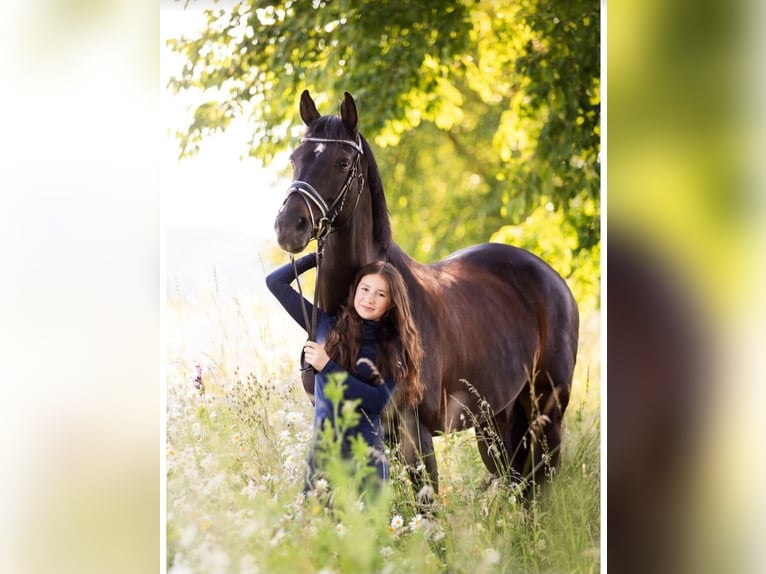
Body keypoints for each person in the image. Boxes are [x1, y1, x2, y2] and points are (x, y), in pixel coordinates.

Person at [266, 252, 423, 493]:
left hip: (365, 460)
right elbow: (275, 282)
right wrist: (316, 258)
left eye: (380, 294)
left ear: (391, 302)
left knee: (365, 530)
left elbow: (378, 401)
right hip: (322, 456)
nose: (369, 299)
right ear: (355, 290)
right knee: (316, 528)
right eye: (365, 289)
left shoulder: (393, 346)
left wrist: (328, 366)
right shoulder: (324, 326)